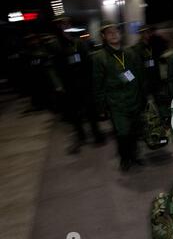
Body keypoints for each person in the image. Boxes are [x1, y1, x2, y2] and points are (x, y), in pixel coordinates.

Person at [92, 20, 145, 172]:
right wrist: (101, 107)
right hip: (116, 103)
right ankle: (125, 158)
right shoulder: (99, 57)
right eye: (109, 32)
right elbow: (97, 84)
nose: (114, 34)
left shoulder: (130, 53)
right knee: (123, 132)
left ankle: (134, 156)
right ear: (103, 36)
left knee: (135, 131)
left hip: (134, 99)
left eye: (116, 31)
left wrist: (143, 97)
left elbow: (139, 76)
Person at [51, 16, 105, 154]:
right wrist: (58, 85)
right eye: (61, 24)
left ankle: (96, 134)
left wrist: (92, 80)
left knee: (91, 110)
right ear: (58, 26)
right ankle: (81, 136)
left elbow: (88, 62)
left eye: (66, 23)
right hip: (69, 84)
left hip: (84, 83)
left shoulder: (79, 43)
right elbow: (53, 67)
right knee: (75, 113)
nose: (64, 26)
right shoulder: (56, 45)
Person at [131, 25, 162, 98]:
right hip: (145, 82)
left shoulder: (151, 46)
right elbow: (138, 68)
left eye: (148, 32)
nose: (147, 34)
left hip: (153, 80)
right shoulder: (136, 49)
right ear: (140, 34)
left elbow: (154, 63)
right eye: (144, 32)